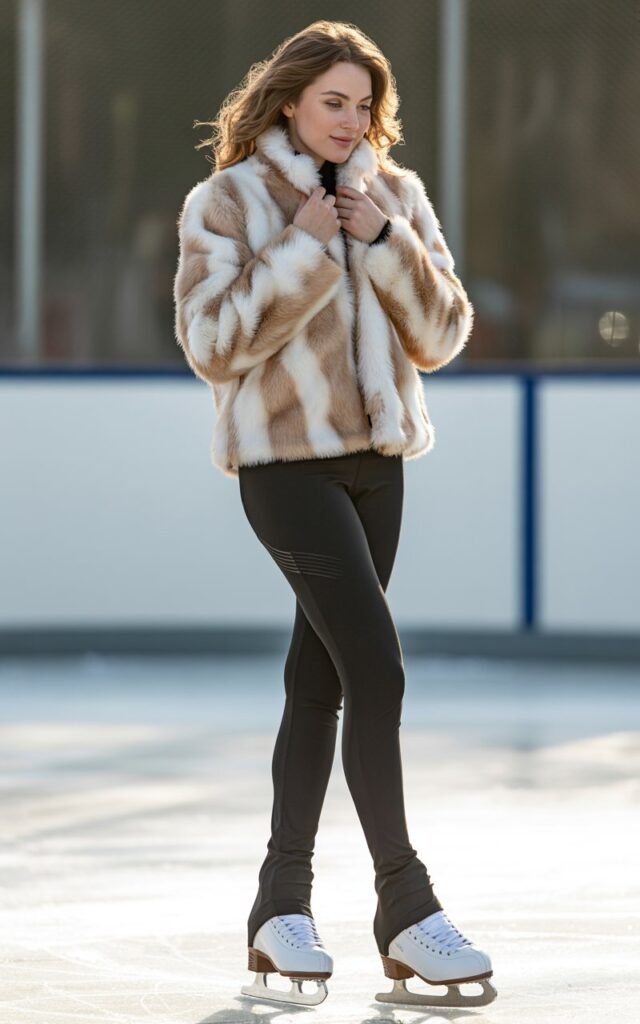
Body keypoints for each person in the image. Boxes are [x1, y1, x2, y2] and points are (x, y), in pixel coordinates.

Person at [173, 19, 496, 1010]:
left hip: (378, 465)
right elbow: (211, 342)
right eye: (334, 103)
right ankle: (404, 904)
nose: (352, 123)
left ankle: (280, 905)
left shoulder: (392, 195)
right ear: (288, 102)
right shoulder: (226, 201)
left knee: (318, 683)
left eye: (364, 106)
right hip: (284, 467)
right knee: (376, 667)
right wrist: (305, 252)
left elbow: (443, 332)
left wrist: (382, 240)